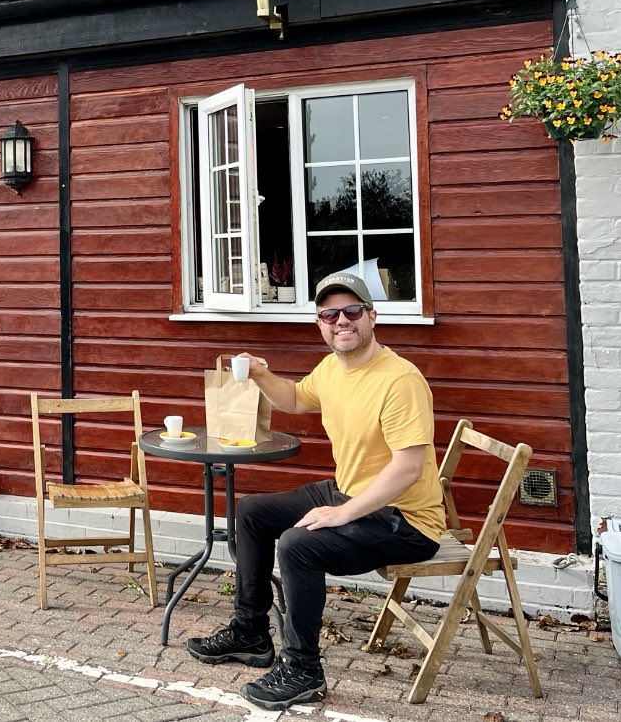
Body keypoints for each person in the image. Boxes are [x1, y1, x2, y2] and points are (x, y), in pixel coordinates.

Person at [187, 271, 445, 711]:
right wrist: (263, 374)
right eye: (330, 314)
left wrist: (342, 514)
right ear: (319, 323)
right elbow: (294, 398)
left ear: (372, 317)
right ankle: (251, 633)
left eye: (351, 311)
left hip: (404, 520)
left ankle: (303, 670)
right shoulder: (333, 367)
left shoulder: (400, 380)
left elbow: (407, 468)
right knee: (252, 511)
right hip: (350, 493)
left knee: (298, 545)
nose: (341, 321)